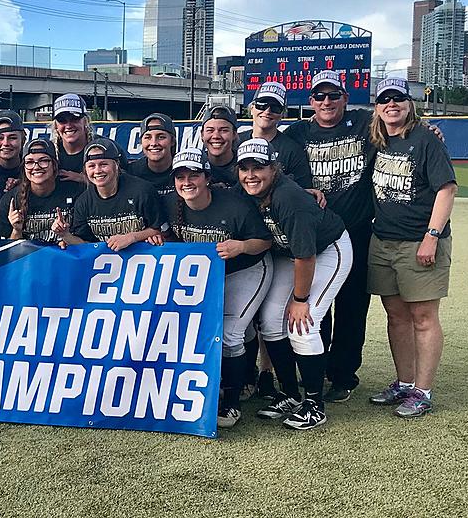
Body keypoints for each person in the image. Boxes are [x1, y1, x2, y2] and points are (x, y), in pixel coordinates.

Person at [236, 138, 352, 431]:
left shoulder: (288, 197)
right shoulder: (248, 189)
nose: (251, 174)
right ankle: (290, 394)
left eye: (259, 167)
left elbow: (306, 255)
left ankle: (315, 405)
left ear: (274, 168)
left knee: (304, 323)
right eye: (244, 168)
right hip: (291, 253)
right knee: (271, 321)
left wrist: (300, 299)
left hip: (327, 250)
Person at [157, 147, 273, 428]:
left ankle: (231, 404)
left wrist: (242, 246)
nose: (187, 182)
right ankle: (244, 379)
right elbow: (164, 230)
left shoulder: (233, 204)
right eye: (180, 176)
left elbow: (265, 241)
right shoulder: (172, 203)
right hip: (210, 276)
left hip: (248, 268)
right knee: (238, 330)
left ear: (207, 177)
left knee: (230, 331)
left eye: (194, 175)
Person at [281, 70, 376, 402]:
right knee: (317, 307)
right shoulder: (297, 132)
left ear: (345, 98)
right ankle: (316, 369)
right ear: (310, 102)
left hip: (358, 229)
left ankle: (343, 374)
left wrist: (430, 128)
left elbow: (402, 123)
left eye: (332, 95)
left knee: (352, 308)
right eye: (319, 96)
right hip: (317, 234)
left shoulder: (365, 123)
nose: (326, 102)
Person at [365, 77, 457, 418]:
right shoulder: (376, 139)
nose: (392, 105)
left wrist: (431, 236)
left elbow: (446, 190)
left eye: (398, 99)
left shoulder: (426, 139)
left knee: (422, 317)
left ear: (409, 104)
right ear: (377, 106)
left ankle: (423, 389)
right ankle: (404, 382)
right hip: (383, 239)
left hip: (419, 241)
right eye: (385, 99)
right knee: (396, 316)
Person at [54, 138, 166, 250]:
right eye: (91, 166)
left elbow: (159, 229)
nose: (97, 171)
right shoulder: (84, 202)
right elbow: (85, 245)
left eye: (103, 164)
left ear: (116, 165)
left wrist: (132, 237)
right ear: (85, 170)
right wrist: (66, 235)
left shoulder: (142, 191)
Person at [0, 139, 84, 243]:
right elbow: (6, 253)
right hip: (28, 258)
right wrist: (16, 230)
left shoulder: (75, 193)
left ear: (54, 165)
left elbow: (85, 245)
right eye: (29, 162)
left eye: (43, 161)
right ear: (24, 167)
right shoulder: (11, 199)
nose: (36, 167)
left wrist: (66, 236)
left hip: (65, 256)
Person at [237, 82, 314, 190]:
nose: (267, 111)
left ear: (282, 114)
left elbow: (302, 192)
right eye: (262, 104)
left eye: (275, 108)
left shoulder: (292, 150)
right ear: (252, 107)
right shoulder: (235, 141)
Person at [127, 113, 177, 196]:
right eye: (148, 137)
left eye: (161, 137)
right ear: (141, 142)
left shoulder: (183, 170)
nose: (153, 143)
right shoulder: (131, 173)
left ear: (172, 141)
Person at [49, 93, 96, 181]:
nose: (69, 125)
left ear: (85, 121)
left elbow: (124, 180)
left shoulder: (103, 147)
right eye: (62, 121)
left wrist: (85, 179)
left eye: (74, 119)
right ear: (56, 125)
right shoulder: (48, 150)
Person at [200, 106, 241, 187]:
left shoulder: (244, 164)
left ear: (234, 134)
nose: (216, 136)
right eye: (210, 130)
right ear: (202, 135)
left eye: (224, 130)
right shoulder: (195, 165)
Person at [0, 110, 26, 190]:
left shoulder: (32, 168)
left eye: (12, 138)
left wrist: (27, 185)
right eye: (0, 138)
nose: (6, 143)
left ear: (23, 140)